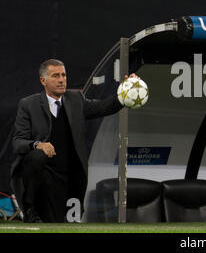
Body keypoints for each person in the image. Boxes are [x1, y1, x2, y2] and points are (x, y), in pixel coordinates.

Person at [11, 59, 136, 222]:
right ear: (43, 81)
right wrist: (37, 144)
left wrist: (126, 91)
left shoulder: (76, 99)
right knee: (37, 156)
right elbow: (18, 142)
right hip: (44, 176)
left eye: (63, 75)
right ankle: (29, 207)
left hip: (70, 176)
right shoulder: (28, 104)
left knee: (61, 224)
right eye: (55, 76)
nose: (62, 79)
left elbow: (105, 106)